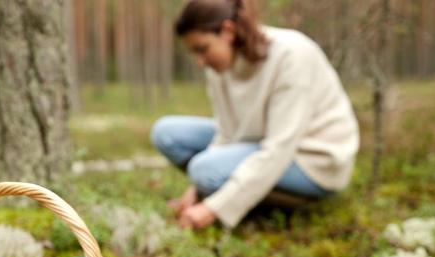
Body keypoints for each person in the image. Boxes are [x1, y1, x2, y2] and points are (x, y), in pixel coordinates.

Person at [151, 0, 360, 230]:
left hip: (313, 161)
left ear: (228, 31)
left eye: (202, 49)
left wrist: (213, 208)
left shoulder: (291, 56)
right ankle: (239, 194)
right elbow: (226, 135)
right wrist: (196, 190)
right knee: (166, 133)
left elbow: (279, 149)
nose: (200, 62)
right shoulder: (220, 66)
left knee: (203, 169)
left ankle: (256, 204)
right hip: (260, 143)